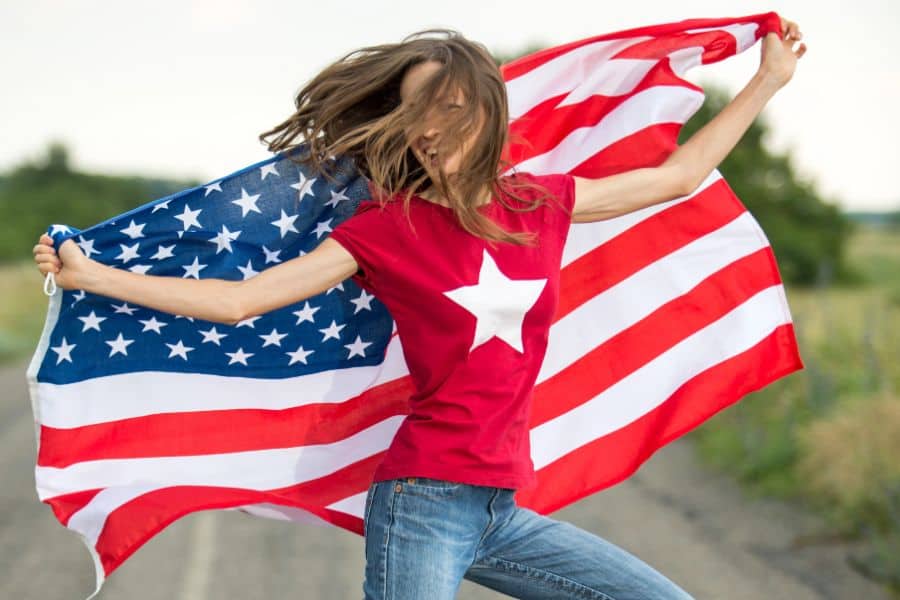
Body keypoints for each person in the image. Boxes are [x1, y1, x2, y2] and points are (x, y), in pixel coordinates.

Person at [33, 18, 805, 600]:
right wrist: (95, 276)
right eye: (416, 113)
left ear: (489, 110)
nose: (430, 130)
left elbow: (677, 177)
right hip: (423, 501)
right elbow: (241, 301)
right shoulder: (386, 228)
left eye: (449, 109)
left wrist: (765, 82)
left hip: (501, 505)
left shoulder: (541, 203)